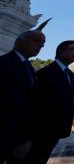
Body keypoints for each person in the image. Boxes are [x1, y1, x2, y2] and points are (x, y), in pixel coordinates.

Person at [22, 40, 74, 164]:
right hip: (38, 132)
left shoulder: (70, 74)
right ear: (61, 51)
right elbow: (33, 105)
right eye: (73, 49)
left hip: (54, 132)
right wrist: (25, 137)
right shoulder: (45, 73)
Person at [0, 29, 45, 163]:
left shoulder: (28, 67)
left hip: (13, 134)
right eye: (37, 41)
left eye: (43, 44)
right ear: (20, 41)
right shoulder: (4, 63)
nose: (40, 46)